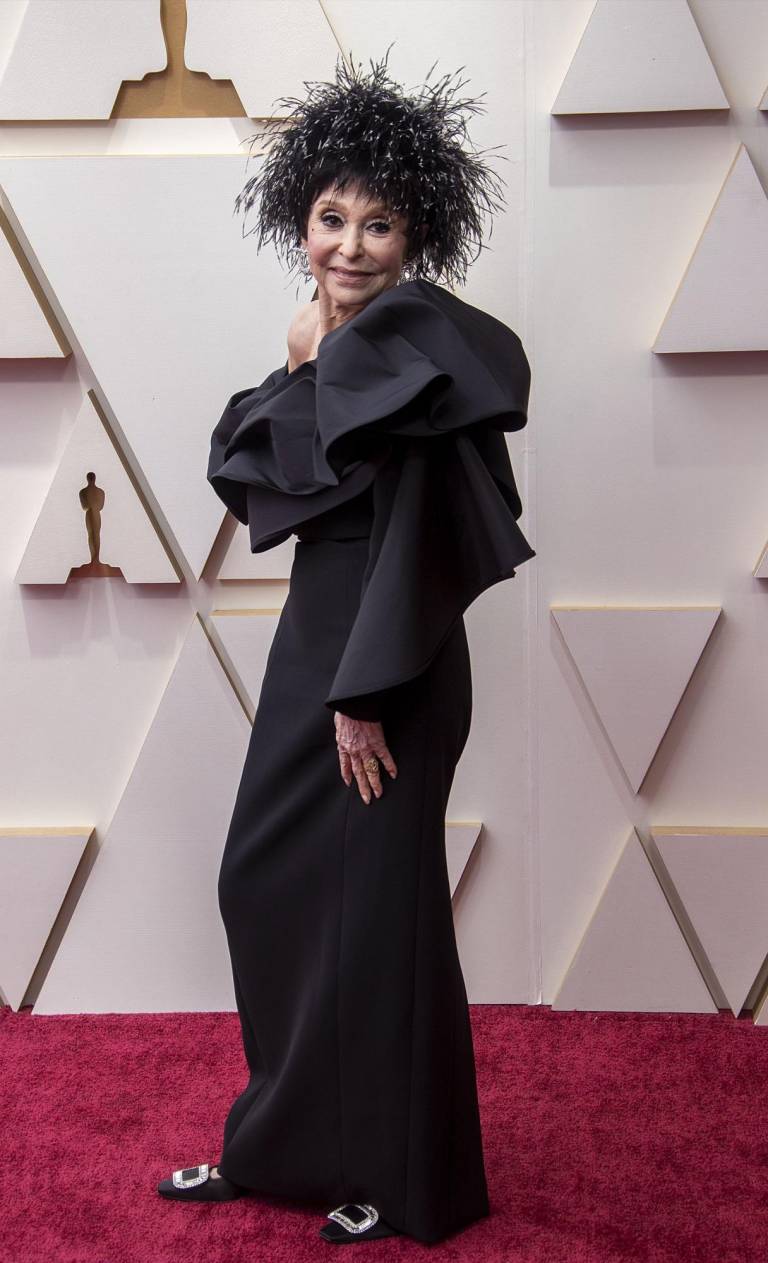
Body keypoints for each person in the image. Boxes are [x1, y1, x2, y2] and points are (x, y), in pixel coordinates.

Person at [157, 50, 536, 1245]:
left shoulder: (426, 349)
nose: (352, 245)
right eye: (331, 218)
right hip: (318, 648)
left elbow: (420, 532)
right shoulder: (336, 341)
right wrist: (298, 361)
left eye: (380, 223)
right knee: (263, 884)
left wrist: (368, 693)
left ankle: (398, 1174)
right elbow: (252, 471)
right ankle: (277, 1149)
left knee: (381, 922)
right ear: (300, 222)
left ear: (417, 231)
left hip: (388, 659)